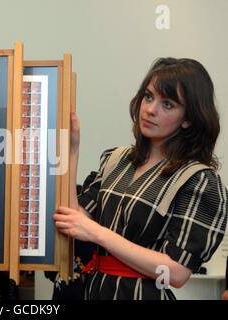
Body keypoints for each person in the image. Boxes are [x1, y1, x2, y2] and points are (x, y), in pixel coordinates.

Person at [53, 57, 228, 300]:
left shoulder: (198, 180)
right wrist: (72, 150)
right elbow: (74, 218)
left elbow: (175, 273)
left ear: (188, 118)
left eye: (167, 104)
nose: (150, 109)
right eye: (148, 96)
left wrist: (97, 233)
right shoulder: (116, 160)